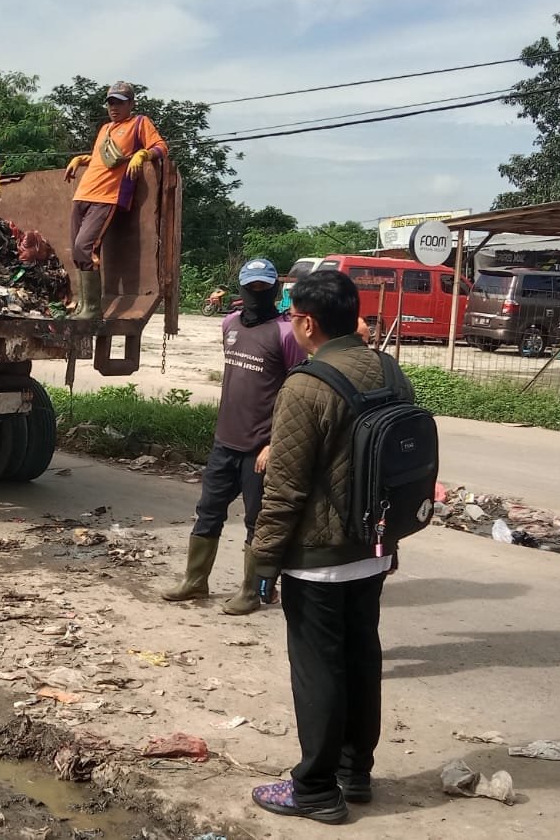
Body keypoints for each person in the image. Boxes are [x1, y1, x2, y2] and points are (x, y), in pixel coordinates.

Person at [247, 270, 414, 824]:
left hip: (319, 556)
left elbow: (286, 487)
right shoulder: (388, 370)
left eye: (293, 315)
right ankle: (354, 772)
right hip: (374, 546)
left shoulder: (307, 384)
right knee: (362, 654)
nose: (290, 324)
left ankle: (314, 789)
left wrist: (263, 560)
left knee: (319, 667)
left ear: (308, 322)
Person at [161, 258, 302, 615]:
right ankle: (195, 581)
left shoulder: (286, 334)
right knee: (208, 512)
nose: (257, 293)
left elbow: (295, 393)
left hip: (260, 449)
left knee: (258, 521)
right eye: (250, 286)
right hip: (225, 441)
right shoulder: (229, 324)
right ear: (240, 286)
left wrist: (274, 443)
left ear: (274, 289)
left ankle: (252, 591)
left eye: (263, 287)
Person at [63, 81, 167, 320]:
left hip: (106, 197)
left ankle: (92, 308)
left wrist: (143, 154)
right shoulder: (105, 129)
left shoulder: (139, 123)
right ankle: (83, 305)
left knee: (85, 247)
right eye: (110, 102)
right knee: (76, 251)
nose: (114, 107)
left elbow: (161, 146)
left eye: (119, 102)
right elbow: (106, 159)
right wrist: (82, 160)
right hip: (83, 193)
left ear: (131, 103)